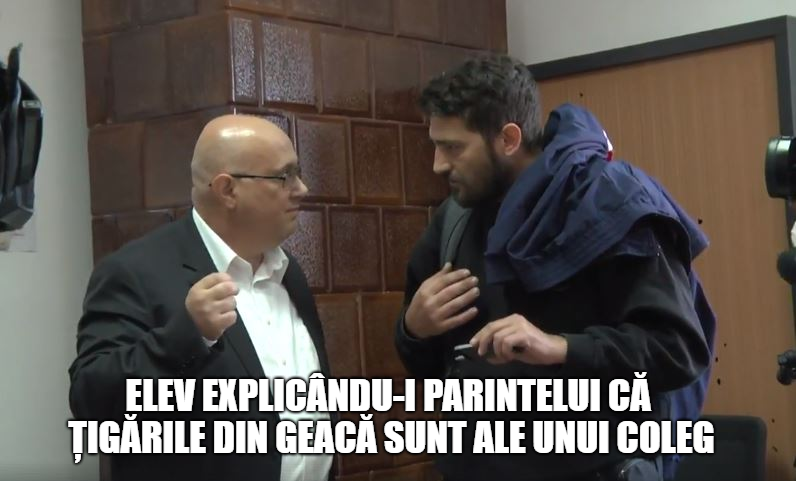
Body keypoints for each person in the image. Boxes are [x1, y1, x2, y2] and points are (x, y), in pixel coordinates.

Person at [394, 54, 713, 481]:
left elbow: (677, 350)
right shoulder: (455, 220)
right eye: (435, 145)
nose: (438, 164)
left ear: (508, 139)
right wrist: (414, 330)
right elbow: (429, 364)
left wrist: (560, 348)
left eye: (453, 148)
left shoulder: (609, 205)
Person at [68, 115, 333, 481]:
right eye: (284, 176)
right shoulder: (135, 272)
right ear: (227, 190)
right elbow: (92, 404)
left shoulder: (289, 273)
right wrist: (185, 335)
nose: (302, 188)